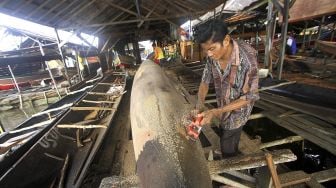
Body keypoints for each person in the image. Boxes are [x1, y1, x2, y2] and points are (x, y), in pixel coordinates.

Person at [194, 20, 259, 158]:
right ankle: (227, 149)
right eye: (205, 50)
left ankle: (231, 162)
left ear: (226, 40)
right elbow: (205, 82)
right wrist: (199, 106)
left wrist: (216, 111)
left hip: (238, 110)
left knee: (228, 141)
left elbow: (250, 96)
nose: (209, 54)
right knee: (224, 130)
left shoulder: (247, 58)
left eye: (211, 49)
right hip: (222, 103)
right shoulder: (212, 57)